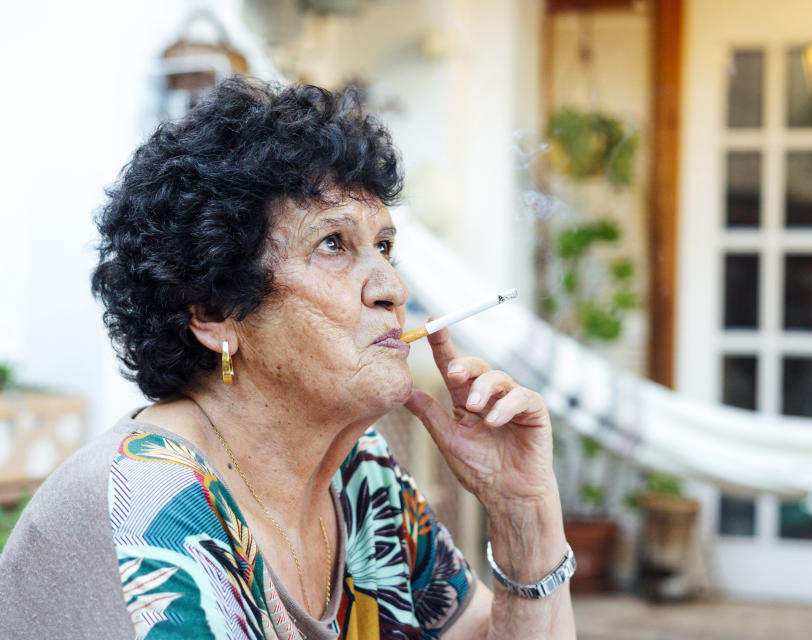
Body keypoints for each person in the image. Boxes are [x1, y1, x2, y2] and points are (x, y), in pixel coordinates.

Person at [0, 77, 576, 639]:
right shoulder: (152, 504)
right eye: (333, 244)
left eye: (384, 246)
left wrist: (525, 516)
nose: (392, 289)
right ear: (215, 312)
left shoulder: (359, 472)